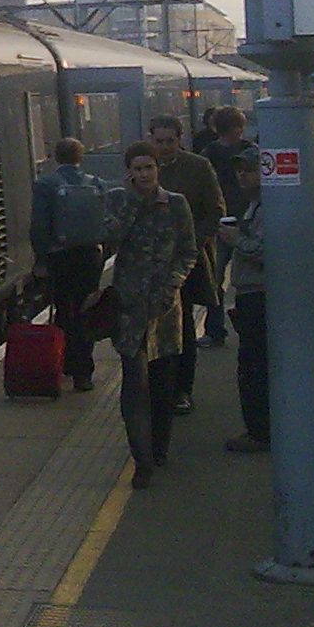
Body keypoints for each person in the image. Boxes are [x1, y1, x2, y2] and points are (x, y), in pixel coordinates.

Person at [102, 140, 198, 487]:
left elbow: (188, 250)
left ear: (158, 170)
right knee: (134, 385)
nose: (143, 175)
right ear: (128, 173)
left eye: (149, 168)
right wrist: (130, 202)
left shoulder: (175, 205)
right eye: (137, 169)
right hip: (129, 308)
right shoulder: (118, 199)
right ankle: (141, 460)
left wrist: (173, 285)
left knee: (162, 385)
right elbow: (109, 237)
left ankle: (159, 448)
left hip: (164, 308)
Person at [146, 114, 223, 414]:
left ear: (180, 140)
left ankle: (182, 389)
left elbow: (215, 209)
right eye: (159, 141)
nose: (165, 147)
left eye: (170, 141)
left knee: (184, 324)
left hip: (187, 261)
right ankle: (157, 387)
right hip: (149, 263)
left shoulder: (198, 167)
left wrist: (193, 243)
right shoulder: (143, 168)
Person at [30, 137, 107, 392]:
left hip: (60, 257)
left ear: (55, 156)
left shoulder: (45, 185)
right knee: (86, 310)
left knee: (65, 310)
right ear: (80, 157)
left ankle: (65, 363)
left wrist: (41, 259)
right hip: (90, 257)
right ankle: (84, 374)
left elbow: (39, 226)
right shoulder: (97, 183)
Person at [218, 155, 269, 452]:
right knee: (253, 364)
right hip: (252, 293)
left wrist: (236, 239)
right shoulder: (255, 205)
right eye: (239, 170)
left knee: (253, 366)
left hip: (258, 294)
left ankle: (259, 432)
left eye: (250, 170)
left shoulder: (266, 207)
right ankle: (259, 429)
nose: (242, 176)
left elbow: (264, 249)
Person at [198, 106, 256, 345]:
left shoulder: (207, 154)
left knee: (215, 279)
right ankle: (250, 325)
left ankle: (215, 330)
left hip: (220, 221)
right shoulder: (250, 152)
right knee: (251, 277)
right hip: (248, 217)